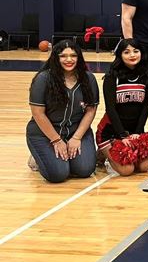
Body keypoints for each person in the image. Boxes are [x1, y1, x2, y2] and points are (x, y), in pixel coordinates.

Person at [26, 40, 99, 183]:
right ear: (56, 58)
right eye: (63, 56)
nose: (69, 60)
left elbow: (91, 110)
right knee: (58, 174)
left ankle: (61, 157)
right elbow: (38, 113)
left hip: (75, 131)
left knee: (85, 170)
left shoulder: (88, 78)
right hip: (45, 134)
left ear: (79, 58)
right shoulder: (43, 78)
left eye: (73, 55)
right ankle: (38, 157)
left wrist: (77, 138)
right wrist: (57, 140)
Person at [96, 38, 148, 176]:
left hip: (134, 132)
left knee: (144, 166)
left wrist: (138, 132)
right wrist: (122, 135)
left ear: (141, 53)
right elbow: (110, 109)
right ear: (120, 55)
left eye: (135, 51)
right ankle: (102, 153)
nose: (132, 55)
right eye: (126, 52)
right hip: (111, 132)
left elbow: (145, 107)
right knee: (127, 170)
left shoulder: (146, 76)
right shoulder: (112, 77)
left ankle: (109, 153)